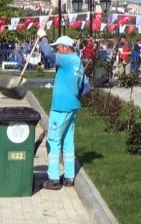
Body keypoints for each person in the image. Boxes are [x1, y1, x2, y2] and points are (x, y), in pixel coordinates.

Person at [36, 29, 88, 190]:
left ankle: (53, 179)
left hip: (61, 108)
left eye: (58, 47)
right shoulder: (77, 61)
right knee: (67, 142)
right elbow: (86, 87)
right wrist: (74, 94)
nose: (57, 50)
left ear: (65, 47)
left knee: (53, 141)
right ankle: (69, 177)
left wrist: (43, 37)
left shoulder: (67, 60)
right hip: (72, 107)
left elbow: (48, 53)